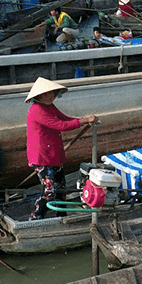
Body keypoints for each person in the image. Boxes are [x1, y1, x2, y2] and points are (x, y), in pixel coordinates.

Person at [25, 78, 97, 220]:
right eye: (46, 94)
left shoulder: (50, 106)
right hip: (42, 158)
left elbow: (65, 119)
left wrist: (83, 120)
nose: (49, 96)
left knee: (61, 189)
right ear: (38, 96)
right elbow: (60, 126)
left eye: (52, 93)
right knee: (49, 191)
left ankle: (61, 217)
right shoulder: (37, 110)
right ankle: (35, 219)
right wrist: (83, 121)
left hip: (53, 154)